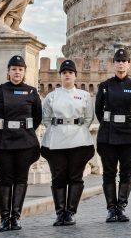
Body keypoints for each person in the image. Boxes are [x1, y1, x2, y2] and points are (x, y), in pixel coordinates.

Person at [0, 55, 42, 231]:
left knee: (20, 179)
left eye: (20, 69)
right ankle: (4, 218)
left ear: (24, 72)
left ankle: (15, 217)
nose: (17, 72)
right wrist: (1, 129)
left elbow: (37, 117)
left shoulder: (31, 92)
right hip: (3, 141)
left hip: (24, 141)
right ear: (8, 72)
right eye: (14, 69)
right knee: (5, 179)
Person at [40, 59, 95, 226]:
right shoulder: (52, 96)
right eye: (64, 73)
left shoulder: (84, 95)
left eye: (70, 73)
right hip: (56, 141)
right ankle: (60, 212)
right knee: (58, 177)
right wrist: (58, 129)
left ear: (75, 76)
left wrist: (76, 129)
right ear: (60, 76)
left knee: (75, 177)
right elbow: (46, 118)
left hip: (79, 140)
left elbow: (88, 118)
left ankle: (70, 212)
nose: (67, 76)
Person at [95, 48, 131, 223]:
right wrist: (111, 123)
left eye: (124, 61)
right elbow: (98, 112)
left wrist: (128, 122)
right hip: (108, 135)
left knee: (126, 173)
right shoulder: (104, 86)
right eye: (118, 61)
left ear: (129, 64)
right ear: (113, 64)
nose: (121, 64)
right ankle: (111, 209)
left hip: (130, 135)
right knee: (109, 173)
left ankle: (121, 208)